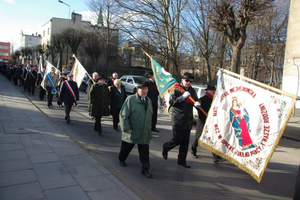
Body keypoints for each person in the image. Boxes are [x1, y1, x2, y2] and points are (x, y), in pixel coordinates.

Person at [162, 72, 199, 168]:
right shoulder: (176, 89)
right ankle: (166, 147)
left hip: (188, 119)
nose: (188, 83)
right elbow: (172, 102)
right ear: (182, 79)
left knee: (185, 142)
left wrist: (198, 103)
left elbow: (195, 99)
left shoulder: (192, 91)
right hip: (178, 119)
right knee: (177, 140)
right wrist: (182, 97)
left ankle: (182, 161)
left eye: (190, 81)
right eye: (186, 80)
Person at [118, 80, 153, 178]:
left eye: (146, 89)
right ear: (137, 90)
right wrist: (125, 128)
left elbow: (150, 117)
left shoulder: (149, 101)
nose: (144, 91)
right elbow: (123, 115)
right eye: (142, 89)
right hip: (131, 131)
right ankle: (121, 159)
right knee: (126, 148)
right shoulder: (130, 99)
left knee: (144, 152)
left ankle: (145, 169)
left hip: (144, 132)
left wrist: (149, 130)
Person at [190, 85, 225, 163]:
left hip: (211, 122)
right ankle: (193, 149)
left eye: (214, 91)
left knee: (213, 139)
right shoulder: (202, 99)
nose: (214, 92)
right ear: (208, 91)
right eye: (212, 90)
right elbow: (196, 106)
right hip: (202, 121)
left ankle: (216, 157)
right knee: (198, 138)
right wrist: (196, 105)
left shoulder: (215, 100)